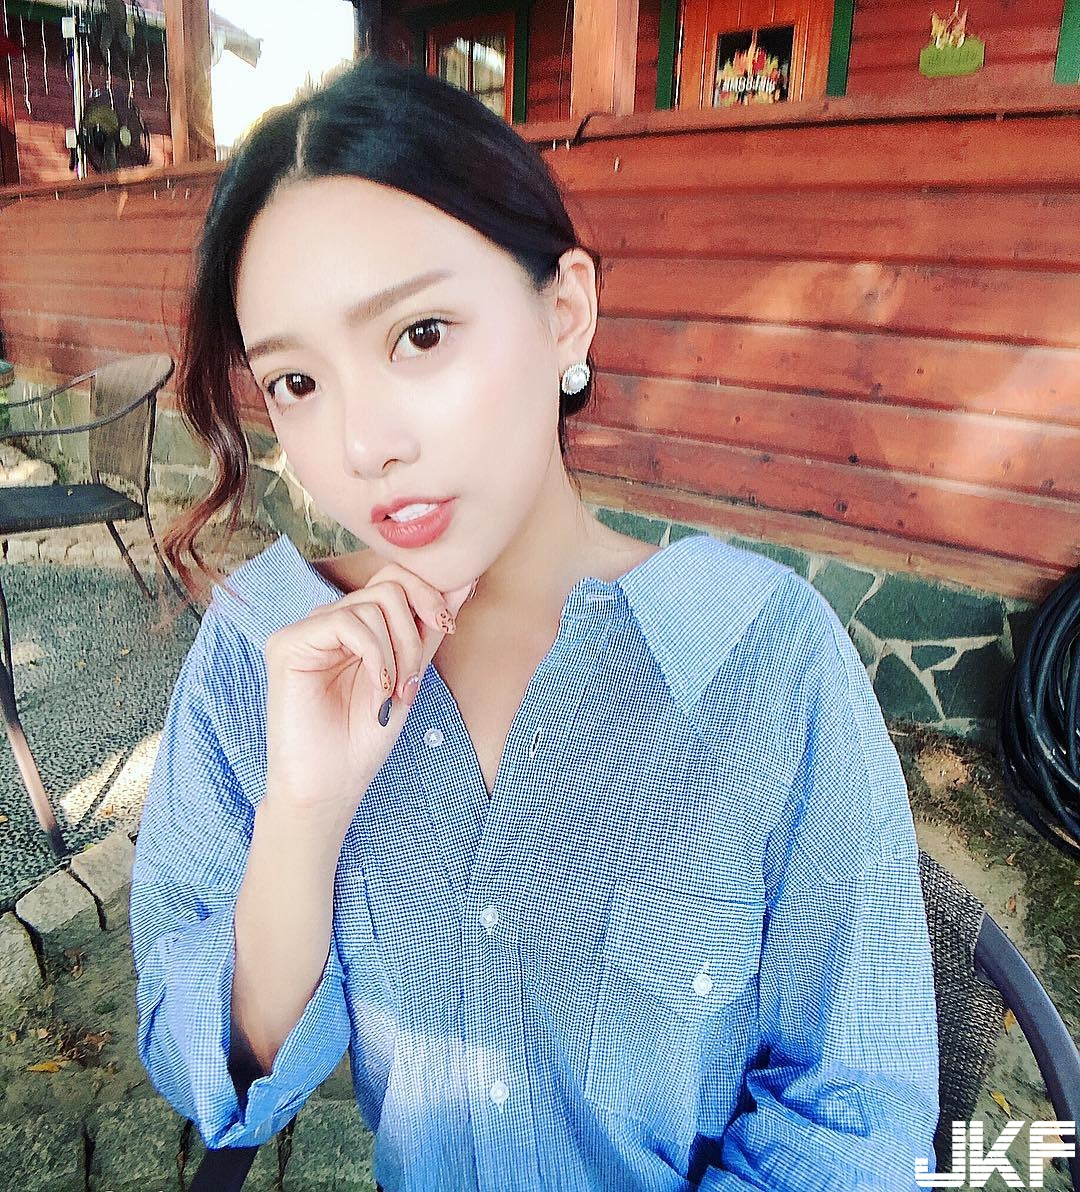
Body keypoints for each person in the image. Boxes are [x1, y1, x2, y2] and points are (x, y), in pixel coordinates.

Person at [129, 55, 940, 1192]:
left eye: (420, 334)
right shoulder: (261, 653)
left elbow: (858, 1119)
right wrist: (302, 819)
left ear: (565, 314)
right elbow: (206, 1069)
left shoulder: (764, 660)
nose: (363, 444)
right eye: (297, 384)